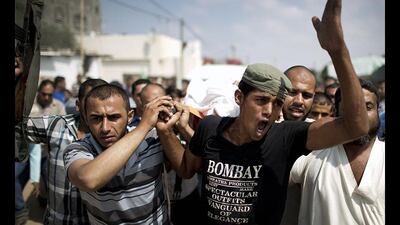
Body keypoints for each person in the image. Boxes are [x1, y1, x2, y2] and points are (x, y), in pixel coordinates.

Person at [156, 0, 369, 224]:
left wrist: (338, 51)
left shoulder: (285, 137)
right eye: (261, 100)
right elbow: (187, 168)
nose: (270, 110)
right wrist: (166, 133)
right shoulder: (210, 127)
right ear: (239, 98)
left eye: (277, 103)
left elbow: (356, 126)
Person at [64, 84, 174, 224]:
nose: (105, 128)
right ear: (86, 119)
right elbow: (88, 180)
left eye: (113, 117)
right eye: (96, 118)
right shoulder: (77, 149)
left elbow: (186, 169)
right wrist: (144, 126)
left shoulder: (152, 138)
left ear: (129, 116)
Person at [284, 79, 384, 225]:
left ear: (378, 111)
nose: (360, 118)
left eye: (368, 107)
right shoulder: (311, 153)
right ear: (335, 111)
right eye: (350, 110)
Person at [15, 78, 108, 224]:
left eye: (104, 101)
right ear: (78, 105)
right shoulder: (57, 125)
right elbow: (18, 126)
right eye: (90, 100)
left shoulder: (117, 137)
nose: (97, 107)